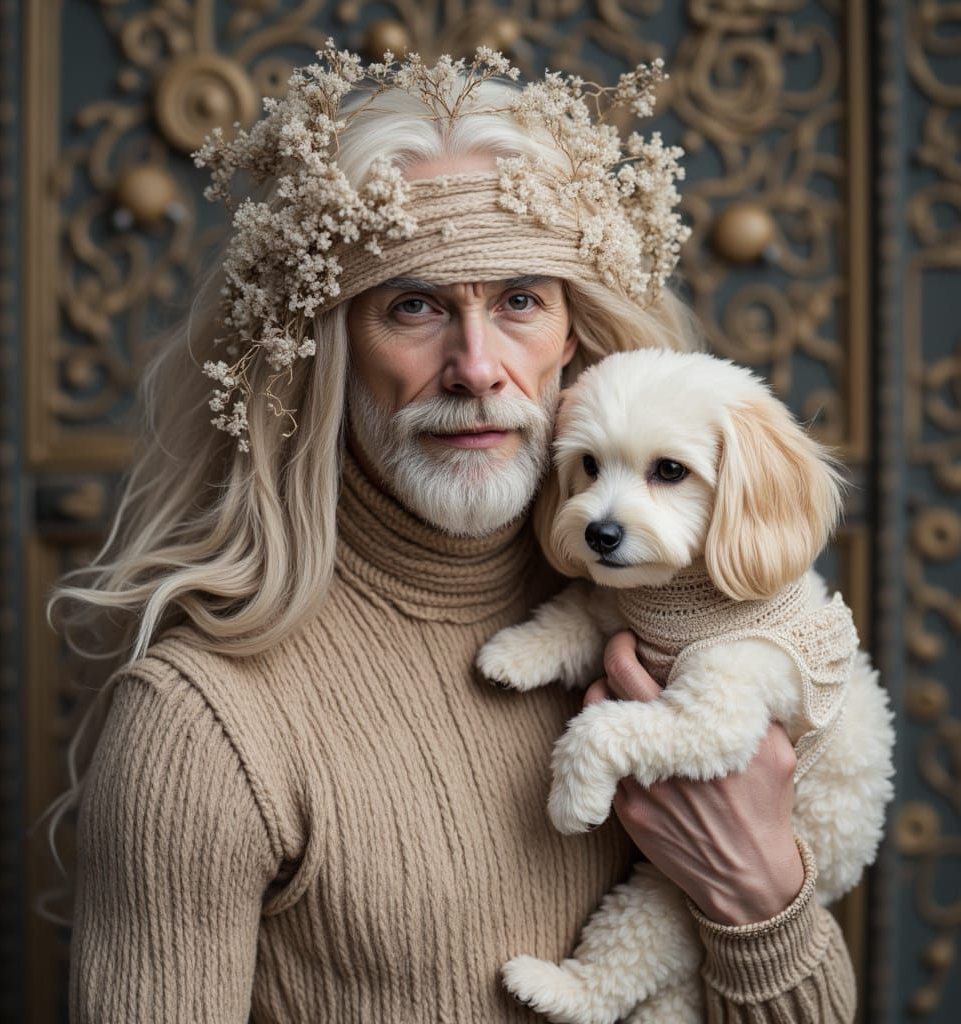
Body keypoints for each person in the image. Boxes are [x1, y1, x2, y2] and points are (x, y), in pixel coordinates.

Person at [46, 45, 857, 1022]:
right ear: (327, 352)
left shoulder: (689, 627)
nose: (476, 366)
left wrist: (757, 899)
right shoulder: (207, 724)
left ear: (573, 336)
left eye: (519, 299)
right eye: (414, 305)